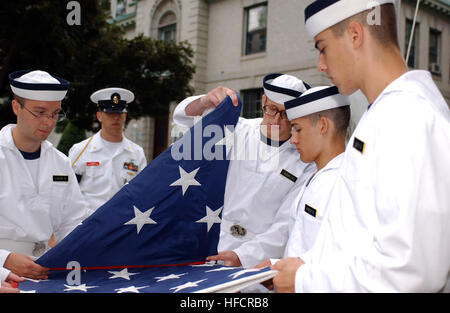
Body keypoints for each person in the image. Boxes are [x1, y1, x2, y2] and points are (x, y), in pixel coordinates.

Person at [272, 0, 450, 292]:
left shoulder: (407, 117)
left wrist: (305, 280)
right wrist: (297, 267)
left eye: (322, 47)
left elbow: (412, 272)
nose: (321, 64)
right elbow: (353, 242)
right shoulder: (383, 114)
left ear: (355, 35)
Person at [172, 74, 316, 268]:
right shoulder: (236, 129)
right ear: (263, 101)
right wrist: (205, 100)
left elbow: (283, 226)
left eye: (286, 114)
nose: (277, 120)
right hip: (209, 243)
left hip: (253, 260)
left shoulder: (304, 159)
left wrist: (242, 256)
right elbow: (182, 117)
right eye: (272, 109)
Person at [252, 86, 350, 292]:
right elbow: (305, 248)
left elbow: (343, 263)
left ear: (323, 125)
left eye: (298, 129)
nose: (293, 139)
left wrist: (295, 276)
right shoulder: (318, 176)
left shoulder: (344, 183)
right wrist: (274, 267)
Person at [0, 70, 89, 279]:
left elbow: (73, 222)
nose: (48, 122)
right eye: (39, 112)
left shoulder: (60, 163)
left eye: (54, 113)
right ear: (16, 107)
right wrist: (4, 260)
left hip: (45, 270)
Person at [69, 88, 147, 215]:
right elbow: (68, 190)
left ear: (125, 116)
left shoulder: (136, 153)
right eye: (110, 113)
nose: (115, 118)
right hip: (88, 222)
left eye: (119, 113)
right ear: (99, 116)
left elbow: (142, 191)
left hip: (122, 221)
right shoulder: (81, 150)